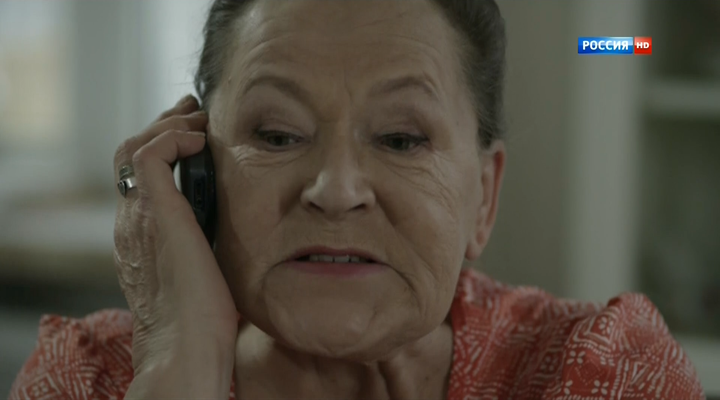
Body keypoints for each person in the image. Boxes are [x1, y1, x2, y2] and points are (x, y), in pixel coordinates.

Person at [9, 1, 705, 399]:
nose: (336, 191)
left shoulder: (598, 370)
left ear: (484, 197)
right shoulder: (89, 379)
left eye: (401, 140)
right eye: (277, 135)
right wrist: (174, 370)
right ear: (196, 172)